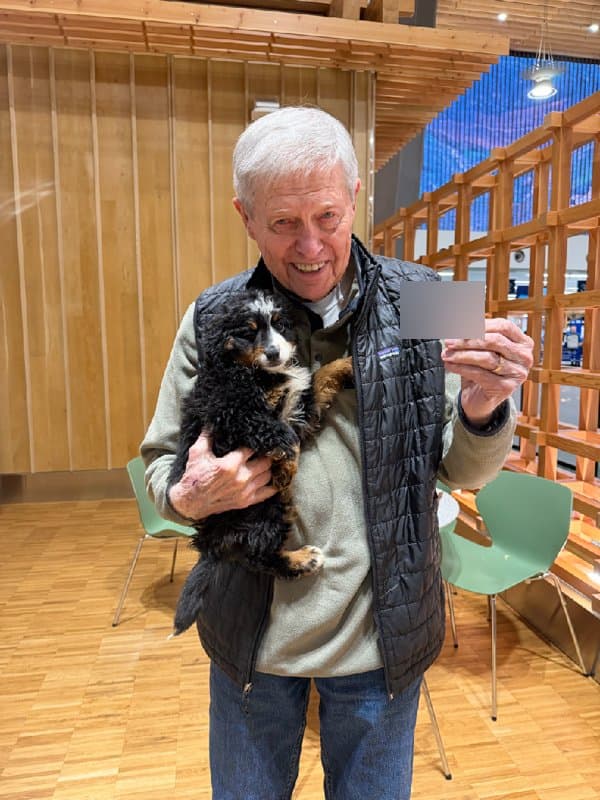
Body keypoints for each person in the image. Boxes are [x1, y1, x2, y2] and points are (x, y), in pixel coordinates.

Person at [141, 106, 534, 800]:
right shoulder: (215, 315)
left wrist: (484, 404)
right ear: (245, 217)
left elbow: (465, 469)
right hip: (251, 641)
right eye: (282, 222)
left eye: (327, 216)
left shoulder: (429, 298)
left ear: (356, 197)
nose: (311, 246)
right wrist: (186, 494)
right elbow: (160, 465)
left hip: (384, 640)